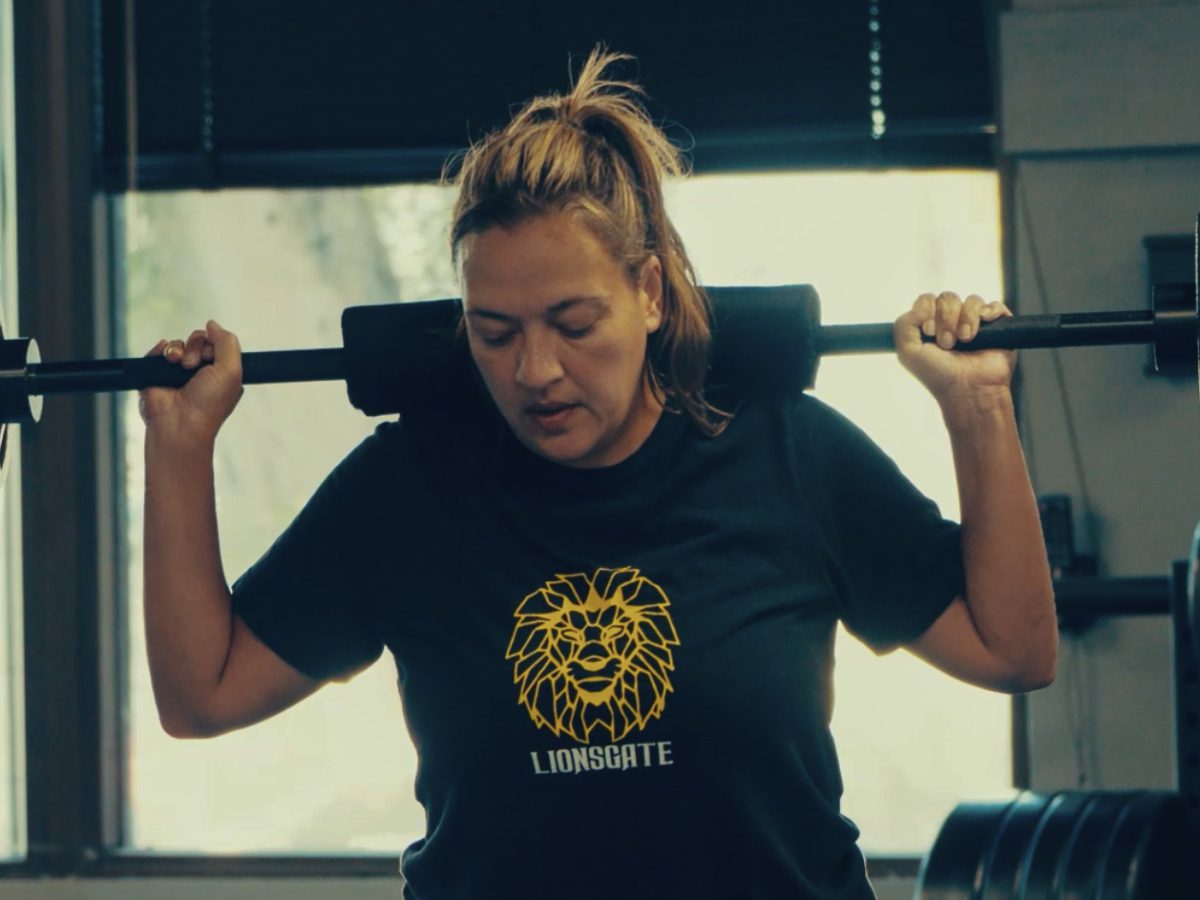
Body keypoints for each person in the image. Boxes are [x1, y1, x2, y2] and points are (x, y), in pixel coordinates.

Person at [139, 48, 1057, 900]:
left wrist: (977, 412)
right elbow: (201, 694)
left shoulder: (786, 454)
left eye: (573, 323)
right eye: (494, 332)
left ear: (649, 294)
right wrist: (180, 448)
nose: (534, 370)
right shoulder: (410, 487)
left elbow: (1013, 649)